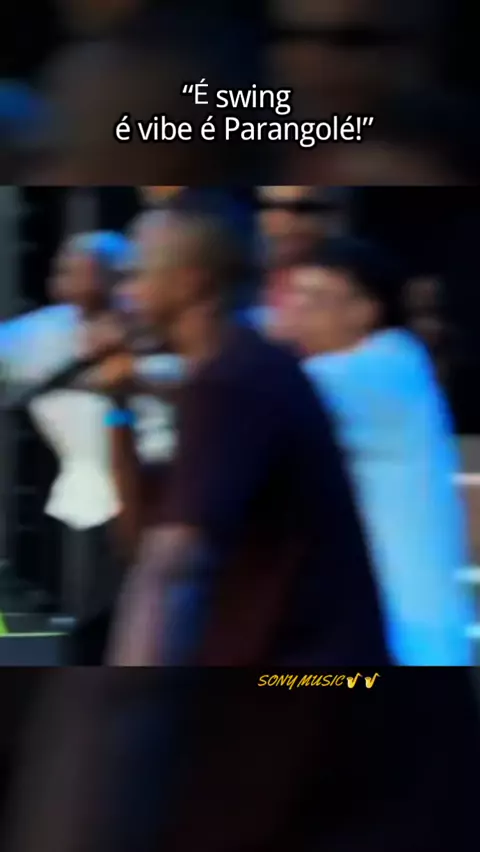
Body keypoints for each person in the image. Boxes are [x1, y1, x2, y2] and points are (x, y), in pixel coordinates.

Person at [93, 209, 390, 667]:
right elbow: (140, 542)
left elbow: (171, 568)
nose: (124, 294)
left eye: (137, 275)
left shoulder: (237, 380)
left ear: (189, 283)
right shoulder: (217, 381)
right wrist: (118, 411)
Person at [278, 236, 473, 665]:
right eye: (294, 295)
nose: (297, 309)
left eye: (316, 298)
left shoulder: (386, 366)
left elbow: (264, 391)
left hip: (404, 644)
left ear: (365, 311)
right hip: (374, 638)